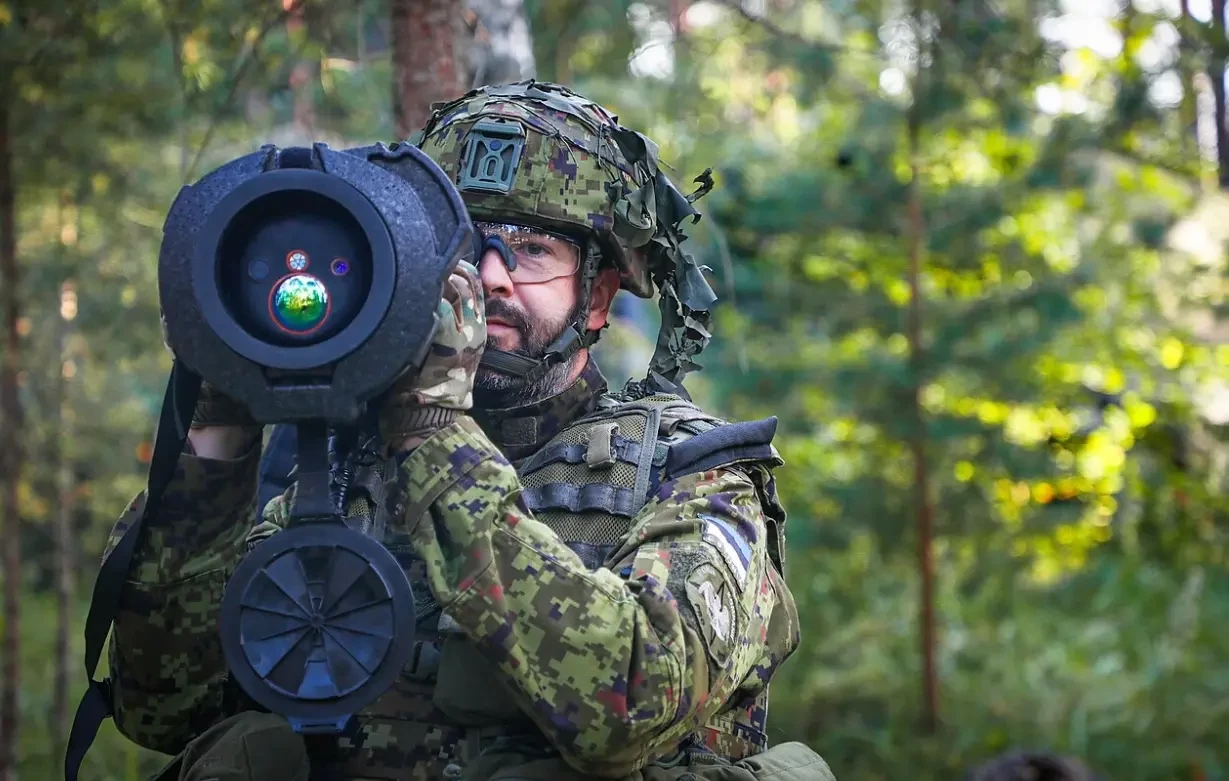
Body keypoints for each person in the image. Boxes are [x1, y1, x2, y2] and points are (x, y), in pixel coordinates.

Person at [101, 81, 832, 781]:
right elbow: (164, 709)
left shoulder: (693, 472)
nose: (490, 277)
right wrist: (216, 440)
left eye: (533, 249)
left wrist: (431, 431)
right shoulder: (342, 471)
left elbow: (629, 706)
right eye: (466, 245)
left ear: (598, 297)